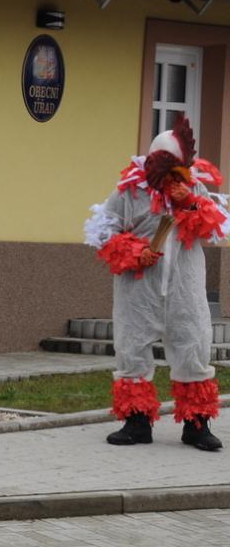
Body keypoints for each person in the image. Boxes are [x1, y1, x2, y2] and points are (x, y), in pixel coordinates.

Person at [85, 115, 228, 451]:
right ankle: (136, 424)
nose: (177, 178)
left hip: (185, 288)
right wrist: (135, 253)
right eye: (171, 171)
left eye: (182, 171)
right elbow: (102, 232)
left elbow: (214, 228)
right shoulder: (128, 192)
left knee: (193, 346)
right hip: (138, 290)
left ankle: (196, 425)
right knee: (132, 348)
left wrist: (187, 202)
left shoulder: (193, 188)